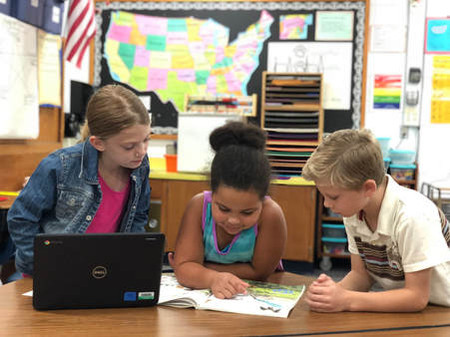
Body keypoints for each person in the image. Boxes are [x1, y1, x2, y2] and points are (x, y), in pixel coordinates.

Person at [7, 84, 152, 276]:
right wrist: (39, 263)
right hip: (54, 271)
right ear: (98, 143)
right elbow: (21, 218)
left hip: (102, 272)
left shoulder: (139, 166)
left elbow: (138, 217)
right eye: (129, 146)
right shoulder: (60, 165)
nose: (141, 151)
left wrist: (127, 262)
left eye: (146, 140)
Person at [302, 128, 450, 312]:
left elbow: (416, 297)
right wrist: (332, 294)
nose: (326, 204)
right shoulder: (355, 210)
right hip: (415, 308)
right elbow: (361, 276)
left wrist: (346, 300)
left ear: (368, 188)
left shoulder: (412, 216)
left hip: (441, 309)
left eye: (333, 196)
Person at [169, 121, 287, 299]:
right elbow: (184, 268)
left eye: (247, 213)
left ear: (262, 201)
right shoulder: (199, 206)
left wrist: (197, 269)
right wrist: (210, 277)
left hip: (252, 296)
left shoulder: (271, 215)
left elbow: (260, 273)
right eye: (223, 209)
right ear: (212, 194)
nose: (233, 220)